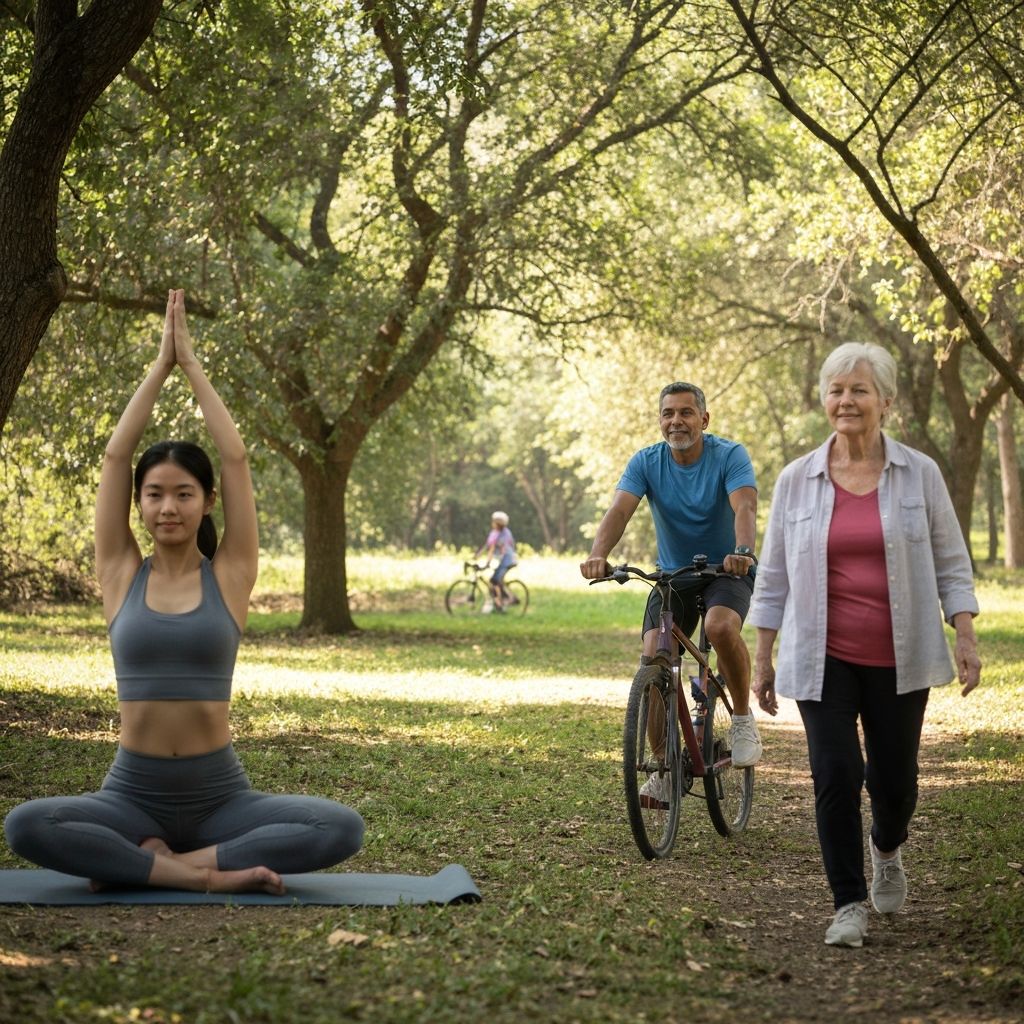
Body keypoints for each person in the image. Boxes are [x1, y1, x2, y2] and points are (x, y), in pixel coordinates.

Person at [4, 290, 364, 895]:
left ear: (207, 502)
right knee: (27, 825)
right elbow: (117, 455)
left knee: (338, 827)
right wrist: (158, 368)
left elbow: (236, 457)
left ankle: (163, 861)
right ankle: (202, 873)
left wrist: (192, 367)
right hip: (129, 794)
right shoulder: (121, 573)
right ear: (139, 502)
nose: (168, 506)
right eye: (154, 494)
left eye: (183, 493)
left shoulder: (231, 576)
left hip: (220, 796)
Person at [748, 341, 981, 949]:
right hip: (821, 651)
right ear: (824, 400)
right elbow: (772, 577)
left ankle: (886, 847)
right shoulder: (797, 479)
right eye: (835, 390)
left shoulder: (919, 473)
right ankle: (847, 901)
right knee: (834, 770)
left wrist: (968, 636)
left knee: (896, 783)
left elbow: (953, 564)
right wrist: (764, 654)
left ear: (885, 401)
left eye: (858, 389)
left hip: (901, 656)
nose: (845, 400)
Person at [579, 381, 763, 793]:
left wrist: (743, 551)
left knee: (719, 627)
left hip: (726, 571)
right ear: (660, 420)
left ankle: (742, 720)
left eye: (685, 412)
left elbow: (745, 505)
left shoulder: (729, 455)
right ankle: (665, 767)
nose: (676, 421)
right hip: (673, 575)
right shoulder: (646, 462)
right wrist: (597, 554)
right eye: (668, 413)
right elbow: (620, 510)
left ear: (704, 419)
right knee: (654, 657)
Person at [474, 510, 518, 613]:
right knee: (496, 581)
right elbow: (487, 545)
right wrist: (477, 555)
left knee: (494, 580)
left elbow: (492, 549)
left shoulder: (502, 534)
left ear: (498, 523)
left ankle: (502, 602)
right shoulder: (496, 533)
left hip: (507, 560)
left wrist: (487, 563)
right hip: (504, 559)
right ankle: (499, 603)